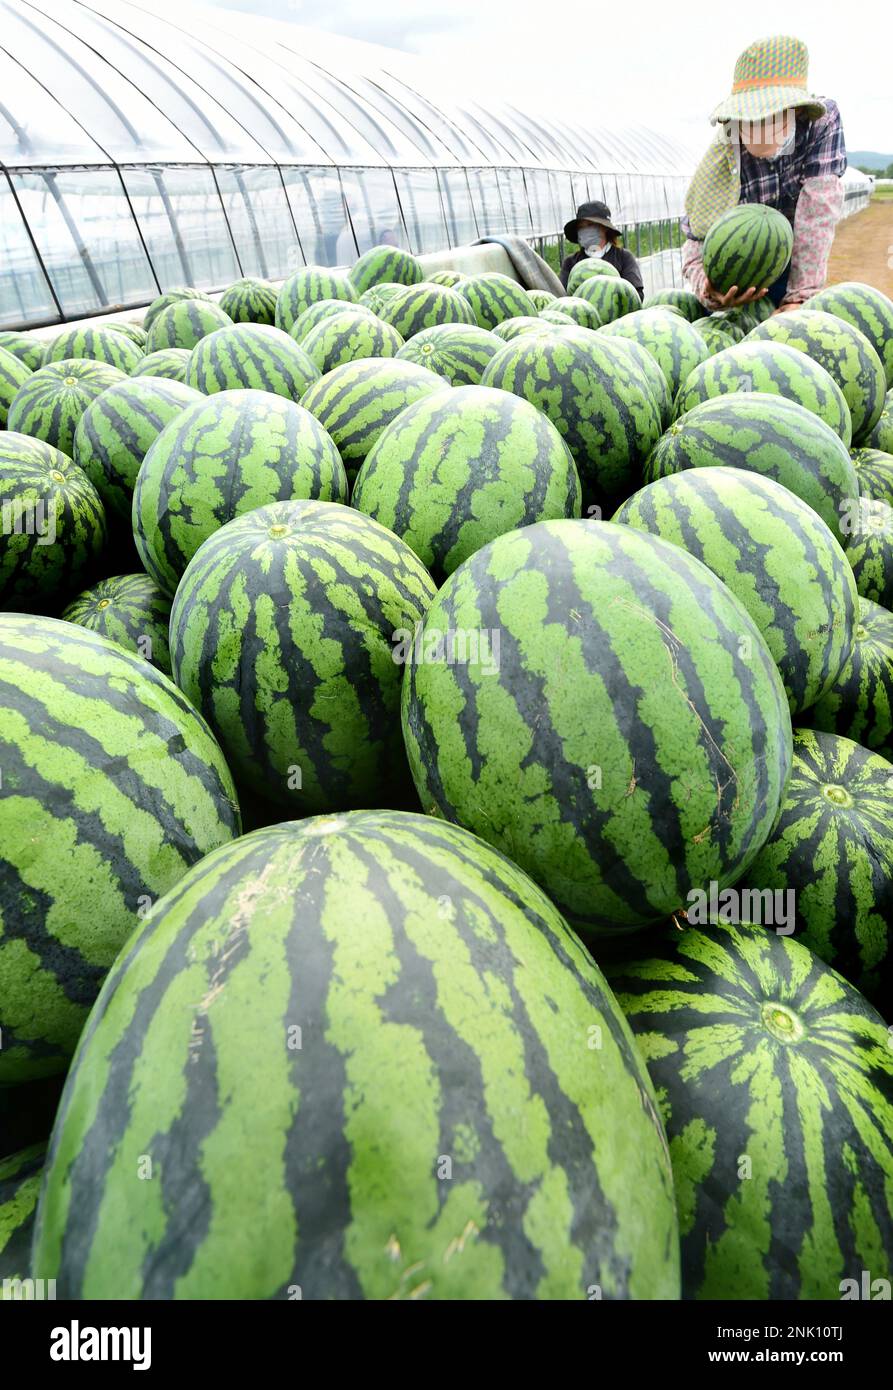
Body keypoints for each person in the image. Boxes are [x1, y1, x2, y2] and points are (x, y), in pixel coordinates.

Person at [681, 35, 847, 314]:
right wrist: (709, 289)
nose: (759, 126)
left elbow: (817, 216)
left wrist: (800, 297)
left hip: (793, 258)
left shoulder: (820, 122)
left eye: (770, 115)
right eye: (751, 119)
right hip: (742, 277)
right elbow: (696, 242)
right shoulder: (723, 152)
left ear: (794, 110)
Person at [559, 200, 644, 298]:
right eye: (581, 227)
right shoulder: (570, 263)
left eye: (590, 225)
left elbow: (637, 295)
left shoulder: (623, 257)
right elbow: (562, 297)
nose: (585, 231)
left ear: (604, 227)